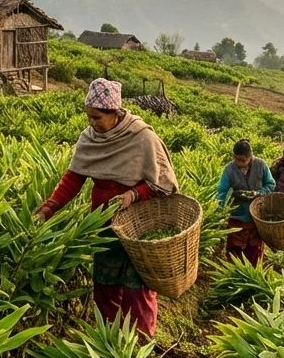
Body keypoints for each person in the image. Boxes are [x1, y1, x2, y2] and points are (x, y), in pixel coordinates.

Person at [34, 78, 179, 337]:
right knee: (105, 286)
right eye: (89, 117)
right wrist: (49, 208)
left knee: (137, 289)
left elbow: (163, 183)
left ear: (114, 113)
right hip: (102, 224)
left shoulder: (141, 137)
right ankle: (108, 342)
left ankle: (138, 347)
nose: (92, 123)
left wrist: (133, 194)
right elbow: (74, 178)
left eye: (97, 118)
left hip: (137, 226)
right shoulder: (90, 139)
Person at [217, 139, 275, 264]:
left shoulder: (261, 165)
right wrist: (222, 208)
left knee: (253, 249)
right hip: (236, 215)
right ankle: (234, 274)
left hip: (256, 215)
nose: (239, 163)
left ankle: (251, 274)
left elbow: (270, 184)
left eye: (242, 160)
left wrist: (259, 192)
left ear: (250, 156)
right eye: (236, 159)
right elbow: (222, 191)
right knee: (235, 249)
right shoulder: (229, 169)